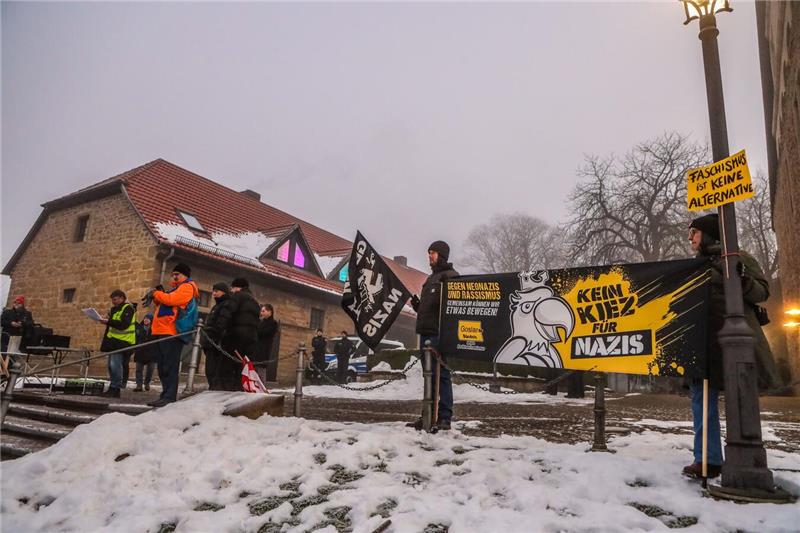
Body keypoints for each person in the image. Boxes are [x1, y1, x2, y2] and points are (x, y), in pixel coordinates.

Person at [682, 213, 780, 479]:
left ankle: (749, 456)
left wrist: (741, 280)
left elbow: (762, 290)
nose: (690, 238)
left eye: (695, 232)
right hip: (703, 344)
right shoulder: (692, 267)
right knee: (702, 402)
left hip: (735, 343)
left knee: (741, 398)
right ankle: (708, 459)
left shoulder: (738, 257)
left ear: (710, 234)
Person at [407, 240, 460, 431]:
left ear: (442, 255)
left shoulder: (451, 277)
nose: (429, 256)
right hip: (425, 333)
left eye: (433, 252)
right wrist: (417, 306)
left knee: (442, 376)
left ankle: (445, 417)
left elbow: (452, 308)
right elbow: (429, 309)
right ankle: (427, 415)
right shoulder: (430, 279)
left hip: (439, 335)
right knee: (428, 376)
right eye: (429, 252)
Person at [148, 263, 199, 407]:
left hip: (172, 333)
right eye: (173, 274)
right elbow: (167, 302)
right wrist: (158, 296)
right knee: (163, 366)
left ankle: (169, 396)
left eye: (178, 274)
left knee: (169, 366)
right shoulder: (176, 288)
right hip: (162, 330)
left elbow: (172, 300)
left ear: (185, 275)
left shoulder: (187, 287)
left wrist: (156, 294)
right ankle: (165, 394)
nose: (174, 276)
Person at [220, 277, 260, 391]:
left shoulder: (237, 297)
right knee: (242, 369)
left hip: (235, 337)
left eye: (232, 288)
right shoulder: (255, 302)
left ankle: (227, 392)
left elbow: (226, 314)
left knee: (228, 366)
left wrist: (219, 330)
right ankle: (239, 391)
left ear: (238, 287)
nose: (231, 290)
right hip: (250, 339)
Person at [100, 290, 137, 397]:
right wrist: (106, 320)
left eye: (115, 299)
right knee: (111, 366)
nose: (113, 302)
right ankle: (113, 387)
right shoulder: (115, 309)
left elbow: (124, 325)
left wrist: (108, 321)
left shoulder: (128, 308)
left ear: (122, 298)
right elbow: (114, 324)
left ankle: (116, 388)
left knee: (115, 365)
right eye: (112, 299)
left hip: (123, 342)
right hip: (114, 342)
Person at [203, 282, 236, 391]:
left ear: (224, 292)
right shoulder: (216, 306)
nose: (214, 293)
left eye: (216, 291)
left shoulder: (225, 305)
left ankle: (215, 391)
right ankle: (213, 389)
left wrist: (214, 334)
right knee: (210, 370)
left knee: (214, 371)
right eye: (213, 291)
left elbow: (221, 324)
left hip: (217, 344)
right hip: (211, 343)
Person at [255, 304, 278, 385]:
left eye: (263, 311)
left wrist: (256, 332)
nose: (261, 313)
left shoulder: (273, 323)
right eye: (261, 311)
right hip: (256, 348)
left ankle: (262, 388)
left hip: (264, 349)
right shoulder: (261, 322)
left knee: (261, 369)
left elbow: (265, 333)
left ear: (270, 312)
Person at [133, 314, 157, 392]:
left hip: (151, 352)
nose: (146, 320)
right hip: (140, 351)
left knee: (150, 369)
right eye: (145, 318)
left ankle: (147, 383)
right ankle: (139, 385)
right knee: (139, 369)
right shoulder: (139, 328)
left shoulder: (155, 329)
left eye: (148, 319)